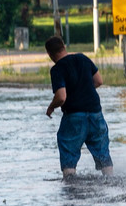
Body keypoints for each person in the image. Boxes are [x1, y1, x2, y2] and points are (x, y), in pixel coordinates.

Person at [44, 36, 113, 179]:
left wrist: (51, 108)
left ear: (49, 54)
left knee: (69, 154)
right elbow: (99, 81)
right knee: (103, 154)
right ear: (64, 46)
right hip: (96, 113)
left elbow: (61, 97)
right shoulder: (82, 58)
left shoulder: (57, 69)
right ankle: (111, 181)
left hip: (74, 116)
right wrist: (83, 89)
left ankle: (71, 190)